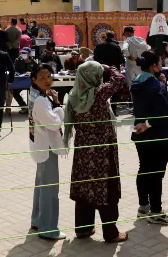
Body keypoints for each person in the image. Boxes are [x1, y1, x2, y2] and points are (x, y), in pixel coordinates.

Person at [64, 61, 128, 243]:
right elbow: (119, 79)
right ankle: (111, 232)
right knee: (104, 189)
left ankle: (83, 228)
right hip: (101, 153)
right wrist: (110, 68)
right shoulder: (98, 95)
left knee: (85, 187)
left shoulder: (74, 96)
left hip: (83, 151)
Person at [130, 50, 168, 225]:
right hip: (158, 135)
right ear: (153, 66)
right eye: (160, 62)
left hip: (140, 134)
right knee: (156, 174)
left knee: (144, 169)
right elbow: (163, 111)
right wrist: (149, 123)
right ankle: (156, 211)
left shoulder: (136, 82)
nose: (161, 65)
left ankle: (144, 205)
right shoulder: (157, 87)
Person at [29, 64, 67, 240]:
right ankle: (48, 228)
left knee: (42, 185)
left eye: (48, 76)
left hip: (41, 147)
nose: (46, 80)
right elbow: (54, 123)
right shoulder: (42, 100)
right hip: (46, 148)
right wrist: (59, 107)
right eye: (42, 77)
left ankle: (38, 221)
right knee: (50, 189)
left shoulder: (38, 95)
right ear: (34, 80)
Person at [13, 47, 38, 112]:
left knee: (33, 91)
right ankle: (24, 107)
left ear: (29, 54)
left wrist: (31, 73)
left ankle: (32, 108)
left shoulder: (33, 61)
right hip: (20, 80)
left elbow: (38, 71)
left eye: (25, 53)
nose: (23, 54)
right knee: (15, 92)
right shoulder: (17, 60)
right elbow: (14, 70)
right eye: (22, 53)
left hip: (30, 81)